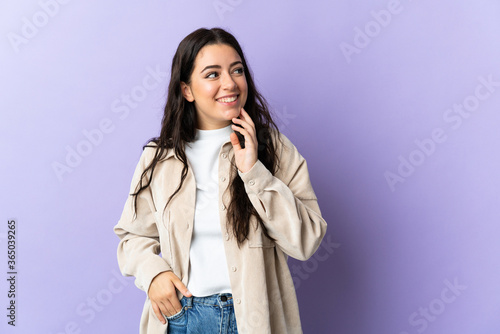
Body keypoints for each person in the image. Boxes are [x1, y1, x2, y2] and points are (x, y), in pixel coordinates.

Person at [113, 27, 327, 334]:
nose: (230, 83)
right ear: (186, 90)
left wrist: (253, 172)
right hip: (180, 318)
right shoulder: (160, 157)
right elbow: (132, 236)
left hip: (253, 319)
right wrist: (153, 274)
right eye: (212, 74)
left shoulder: (274, 148)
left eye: (237, 70)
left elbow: (306, 241)